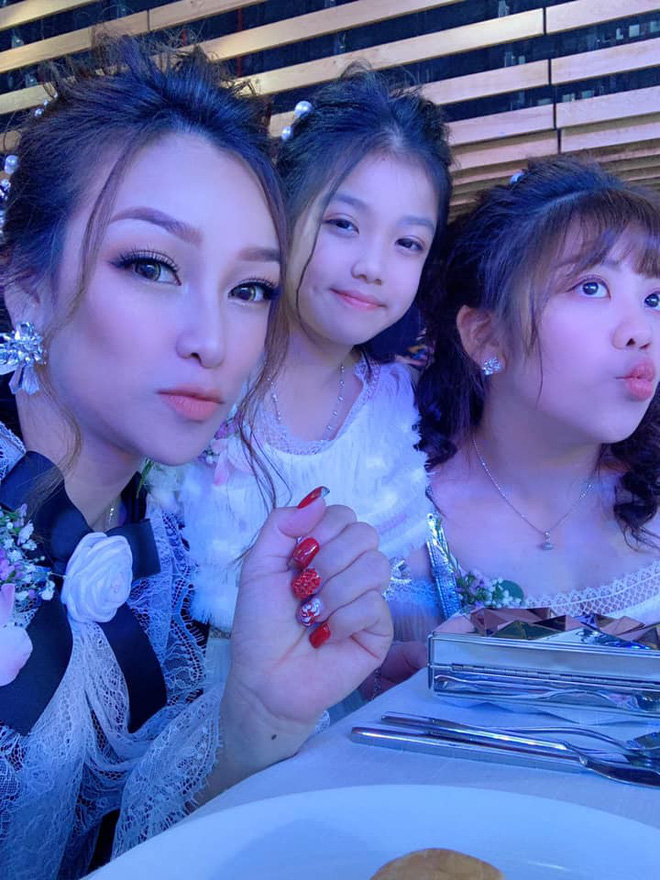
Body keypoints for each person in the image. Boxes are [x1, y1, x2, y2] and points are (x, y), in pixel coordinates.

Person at [0, 39, 392, 880]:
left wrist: (255, 715)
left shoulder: (162, 546)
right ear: (23, 282)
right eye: (151, 266)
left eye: (250, 289)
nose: (214, 342)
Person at [170, 68, 451, 674]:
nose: (373, 266)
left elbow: (408, 614)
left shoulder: (397, 406)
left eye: (408, 243)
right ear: (283, 210)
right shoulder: (199, 372)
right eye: (343, 224)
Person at [412, 156, 660, 626]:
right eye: (591, 288)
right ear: (486, 336)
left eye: (654, 299)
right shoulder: (400, 521)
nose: (640, 330)